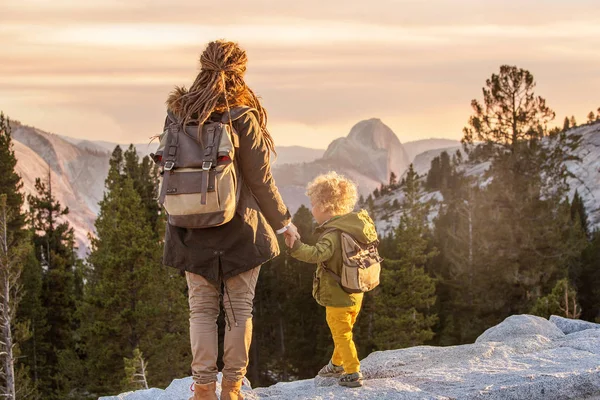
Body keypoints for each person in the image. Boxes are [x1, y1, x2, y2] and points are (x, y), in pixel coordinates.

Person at [162, 40, 300, 400]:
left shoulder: (177, 114)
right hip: (239, 227)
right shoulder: (242, 115)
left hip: (189, 225)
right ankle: (232, 389)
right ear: (240, 71)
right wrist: (284, 223)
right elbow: (260, 180)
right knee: (239, 309)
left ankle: (203, 389)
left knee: (201, 310)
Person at [285, 172, 378, 388]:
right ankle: (337, 364)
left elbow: (318, 254)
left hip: (338, 294)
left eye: (314, 205)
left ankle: (353, 372)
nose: (312, 210)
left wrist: (296, 247)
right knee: (343, 330)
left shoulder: (333, 233)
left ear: (325, 206)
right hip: (356, 291)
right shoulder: (355, 226)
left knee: (341, 332)